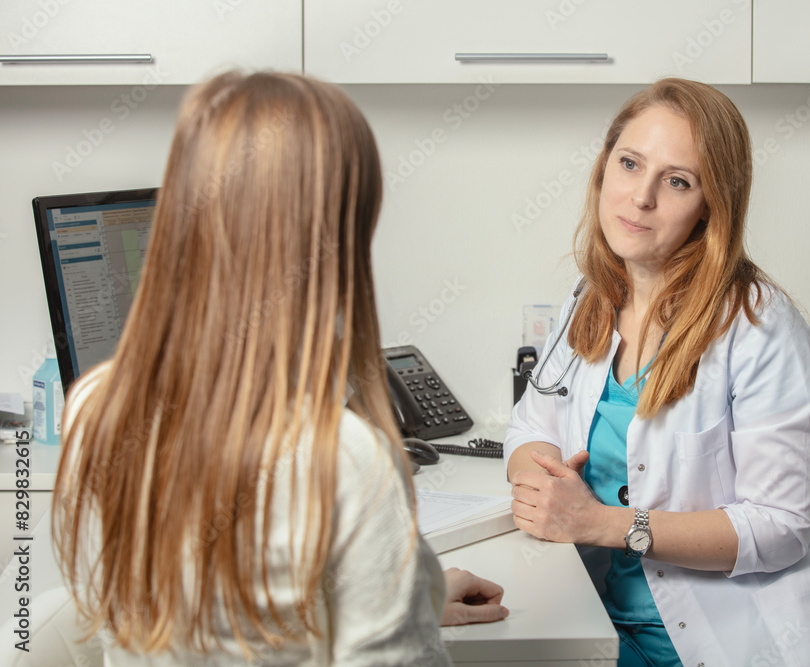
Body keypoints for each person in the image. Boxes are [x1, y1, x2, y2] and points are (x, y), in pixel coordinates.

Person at [52, 70, 506, 666]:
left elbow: (147, 624)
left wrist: (408, 592)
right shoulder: (348, 457)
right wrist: (402, 606)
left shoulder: (94, 408)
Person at [505, 78, 810, 667]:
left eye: (677, 181)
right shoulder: (594, 297)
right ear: (604, 168)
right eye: (630, 163)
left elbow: (780, 527)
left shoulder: (760, 326)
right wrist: (543, 488)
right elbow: (531, 422)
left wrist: (602, 523)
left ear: (713, 204)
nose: (640, 197)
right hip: (599, 624)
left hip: (730, 643)